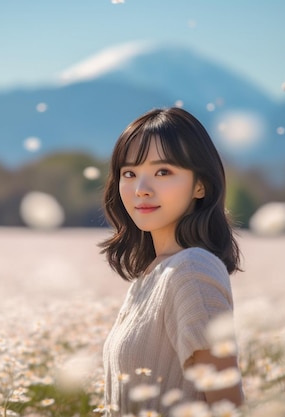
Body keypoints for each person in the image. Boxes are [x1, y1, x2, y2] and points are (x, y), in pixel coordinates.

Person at [99, 107, 244, 416]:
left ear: (200, 185)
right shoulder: (153, 273)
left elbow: (227, 403)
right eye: (130, 173)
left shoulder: (190, 270)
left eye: (163, 171)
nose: (142, 190)